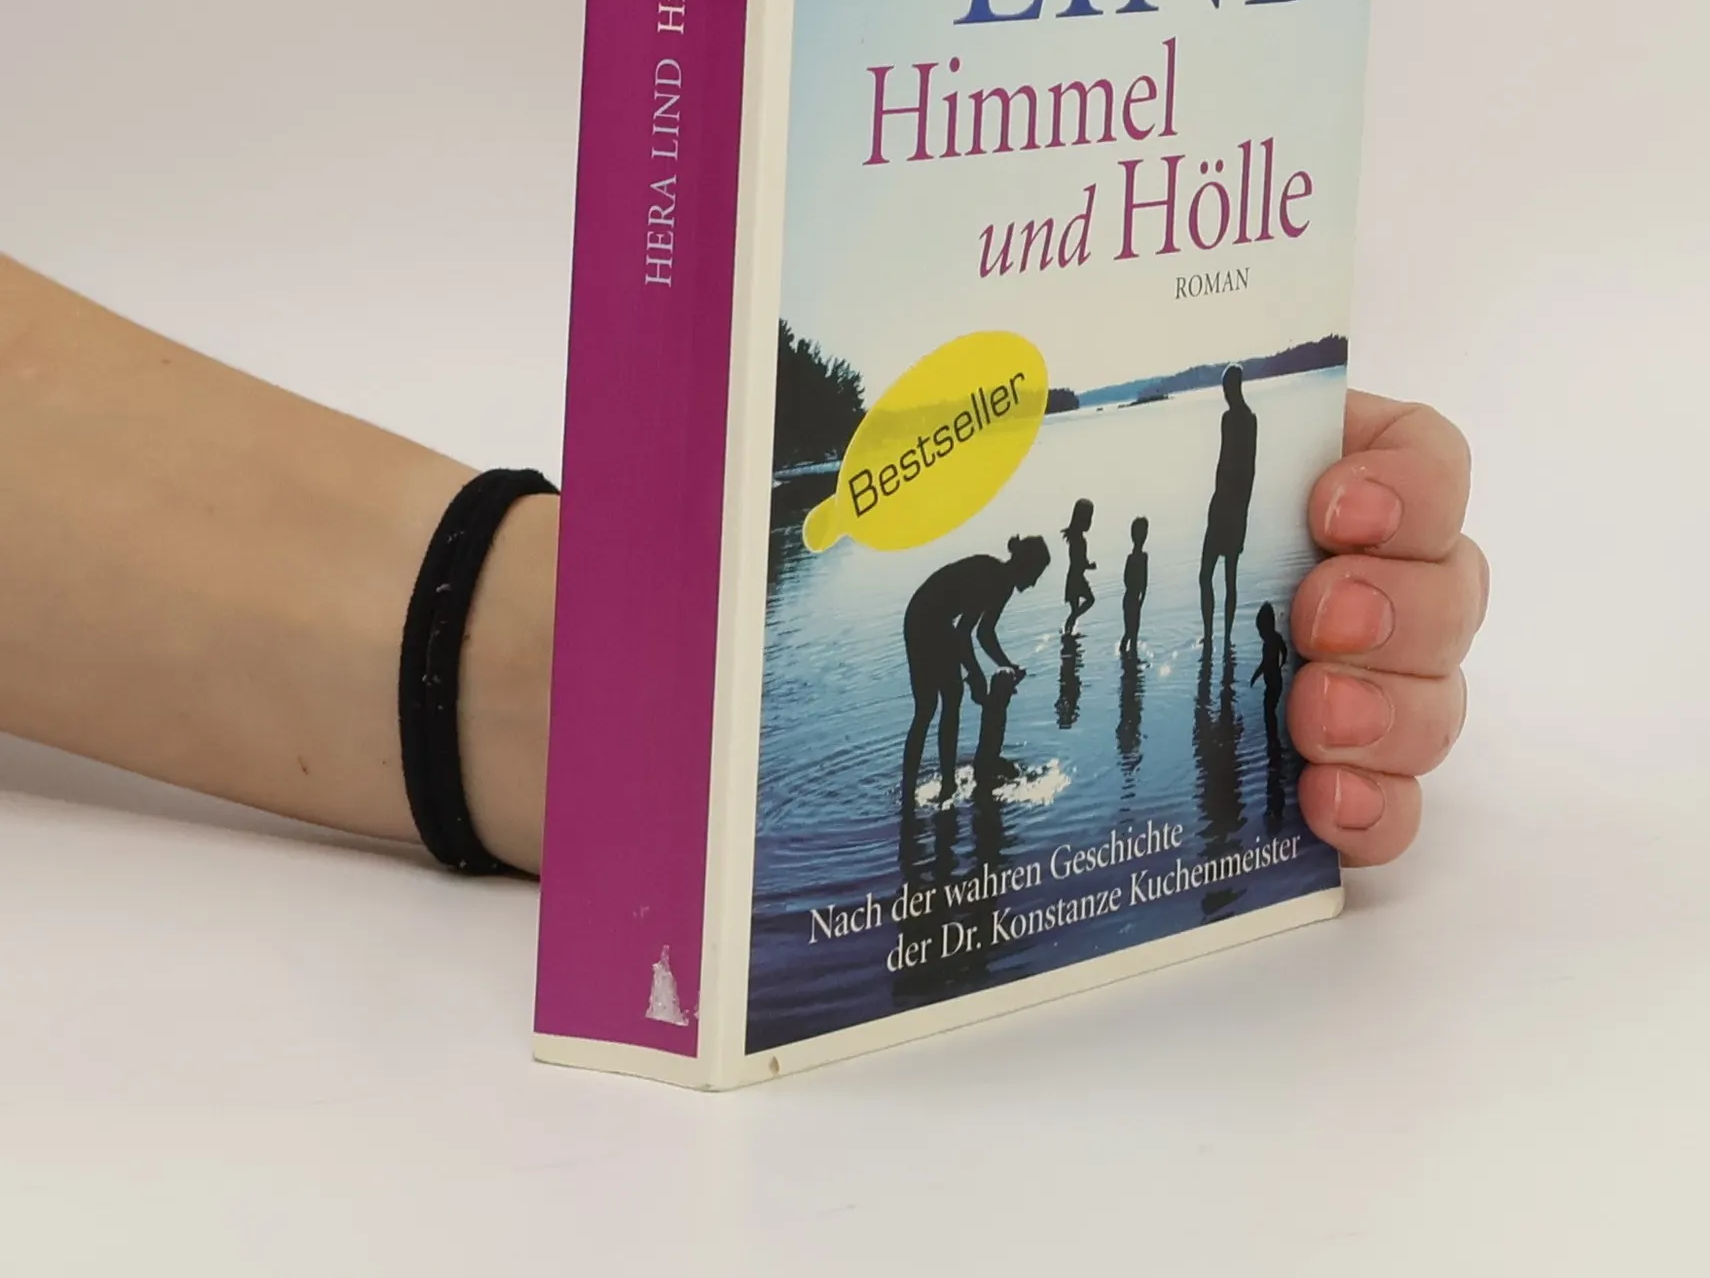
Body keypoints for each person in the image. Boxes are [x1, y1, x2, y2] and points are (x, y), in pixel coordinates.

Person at [0, 254, 1486, 871]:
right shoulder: (988, 586)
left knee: (953, 723)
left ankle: (916, 781)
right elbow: (967, 637)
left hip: (596, 681)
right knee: (942, 716)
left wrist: (580, 672)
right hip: (924, 644)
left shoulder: (1007, 575)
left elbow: (996, 627)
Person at [899, 536, 1050, 805]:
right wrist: (976, 675)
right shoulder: (993, 578)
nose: (1035, 583)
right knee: (937, 705)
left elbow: (985, 633)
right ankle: (939, 786)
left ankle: (923, 791)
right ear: (1026, 566)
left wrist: (1007, 665)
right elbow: (963, 633)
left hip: (926, 617)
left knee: (934, 707)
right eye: (1036, 575)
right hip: (925, 619)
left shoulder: (1003, 583)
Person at [1199, 365, 1257, 643]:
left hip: (1230, 507)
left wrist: (1240, 510)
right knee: (1210, 576)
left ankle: (1221, 639)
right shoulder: (1234, 418)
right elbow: (1226, 463)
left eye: (1227, 388)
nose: (1225, 394)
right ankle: (1214, 637)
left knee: (1222, 577)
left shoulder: (1244, 420)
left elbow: (1245, 468)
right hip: (1224, 505)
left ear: (1235, 387)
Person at [1249, 600, 1288, 754]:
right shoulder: (1277, 638)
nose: (1260, 635)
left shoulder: (1268, 645)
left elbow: (1264, 664)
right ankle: (1274, 739)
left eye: (1260, 631)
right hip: (1277, 682)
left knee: (1268, 712)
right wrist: (1283, 662)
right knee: (1271, 711)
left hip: (1272, 685)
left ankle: (1273, 740)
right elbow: (1284, 650)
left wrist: (1255, 676)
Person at [1061, 497, 1096, 637]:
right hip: (1076, 579)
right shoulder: (1079, 540)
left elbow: (1079, 560)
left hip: (1073, 577)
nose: (1090, 522)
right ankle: (1070, 624)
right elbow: (1078, 561)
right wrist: (1089, 566)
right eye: (1088, 519)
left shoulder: (1076, 538)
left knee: (1075, 608)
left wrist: (1087, 565)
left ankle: (1069, 632)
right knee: (1090, 600)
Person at [1121, 514, 1150, 650]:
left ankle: (1129, 656)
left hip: (1133, 598)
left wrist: (1140, 598)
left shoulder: (1140, 557)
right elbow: (1133, 580)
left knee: (1132, 632)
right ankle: (1127, 653)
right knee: (1131, 632)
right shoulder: (1136, 558)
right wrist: (1139, 596)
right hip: (1131, 599)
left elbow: (1141, 580)